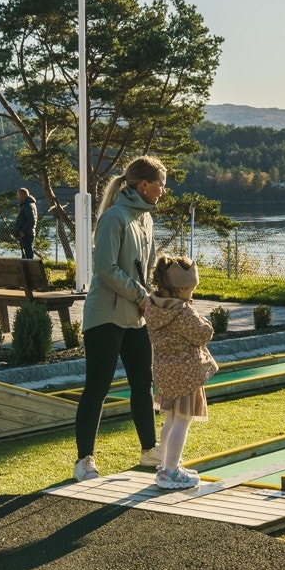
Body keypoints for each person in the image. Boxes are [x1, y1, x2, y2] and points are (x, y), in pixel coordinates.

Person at [73, 155, 165, 482]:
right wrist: (141, 296)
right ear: (143, 185)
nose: (163, 191)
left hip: (135, 317)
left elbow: (147, 269)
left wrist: (152, 298)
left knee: (143, 383)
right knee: (97, 387)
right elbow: (106, 269)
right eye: (160, 184)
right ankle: (85, 460)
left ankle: (149, 448)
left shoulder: (146, 220)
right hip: (105, 316)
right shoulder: (115, 217)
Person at [143, 254, 214, 490]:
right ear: (182, 287)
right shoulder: (183, 312)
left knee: (171, 419)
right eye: (192, 288)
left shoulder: (153, 307)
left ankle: (165, 465)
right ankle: (171, 471)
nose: (192, 293)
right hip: (186, 373)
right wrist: (201, 318)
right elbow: (203, 333)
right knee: (183, 421)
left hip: (165, 372)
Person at [15, 187, 39, 259]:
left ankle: (30, 269)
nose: (17, 197)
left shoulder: (27, 205)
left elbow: (31, 220)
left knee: (27, 255)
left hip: (26, 234)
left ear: (22, 195)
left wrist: (23, 231)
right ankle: (27, 268)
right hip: (27, 233)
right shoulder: (29, 204)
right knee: (26, 254)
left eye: (18, 195)